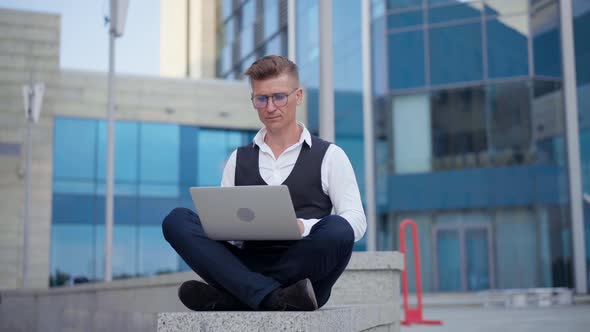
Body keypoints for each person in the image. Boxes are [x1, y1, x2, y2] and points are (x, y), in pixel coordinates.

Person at [162, 55, 366, 311]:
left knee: (339, 229)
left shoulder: (330, 156)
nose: (270, 107)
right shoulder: (239, 159)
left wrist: (302, 226)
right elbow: (225, 225)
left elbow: (357, 221)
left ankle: (237, 296)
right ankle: (271, 297)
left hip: (304, 271)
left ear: (298, 96)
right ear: (254, 101)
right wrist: (228, 229)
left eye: (279, 97)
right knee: (176, 220)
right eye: (261, 99)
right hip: (249, 263)